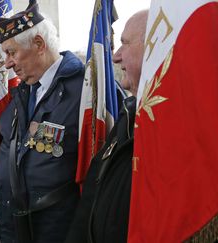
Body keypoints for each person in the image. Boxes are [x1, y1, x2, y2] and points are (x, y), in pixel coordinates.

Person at [0, 1, 85, 242]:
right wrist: (2, 217)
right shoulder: (20, 95)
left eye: (12, 52)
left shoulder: (85, 91)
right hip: (15, 228)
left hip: (59, 231)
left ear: (39, 44)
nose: (8, 63)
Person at [64, 10, 148, 243]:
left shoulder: (174, 129)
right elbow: (91, 198)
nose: (115, 57)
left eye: (125, 44)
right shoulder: (128, 115)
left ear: (154, 47)